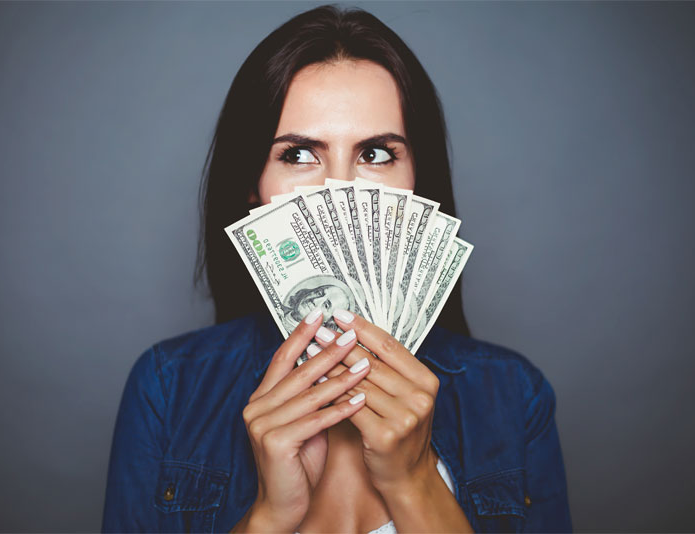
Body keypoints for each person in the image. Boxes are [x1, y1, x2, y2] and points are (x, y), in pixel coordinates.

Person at [102, 5, 572, 533]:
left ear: (418, 181)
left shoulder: (511, 394)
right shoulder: (169, 388)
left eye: (375, 153)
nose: (340, 192)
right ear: (251, 190)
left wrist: (414, 482)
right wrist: (270, 517)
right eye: (299, 154)